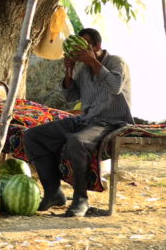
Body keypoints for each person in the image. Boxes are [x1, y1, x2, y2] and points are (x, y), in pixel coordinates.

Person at [24, 27, 133, 217]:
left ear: (97, 46)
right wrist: (69, 70)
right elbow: (71, 96)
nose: (81, 52)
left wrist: (92, 61)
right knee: (33, 136)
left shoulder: (117, 62)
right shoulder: (83, 70)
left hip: (111, 122)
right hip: (86, 119)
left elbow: (115, 87)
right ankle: (53, 192)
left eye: (86, 46)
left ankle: (80, 199)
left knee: (77, 141)